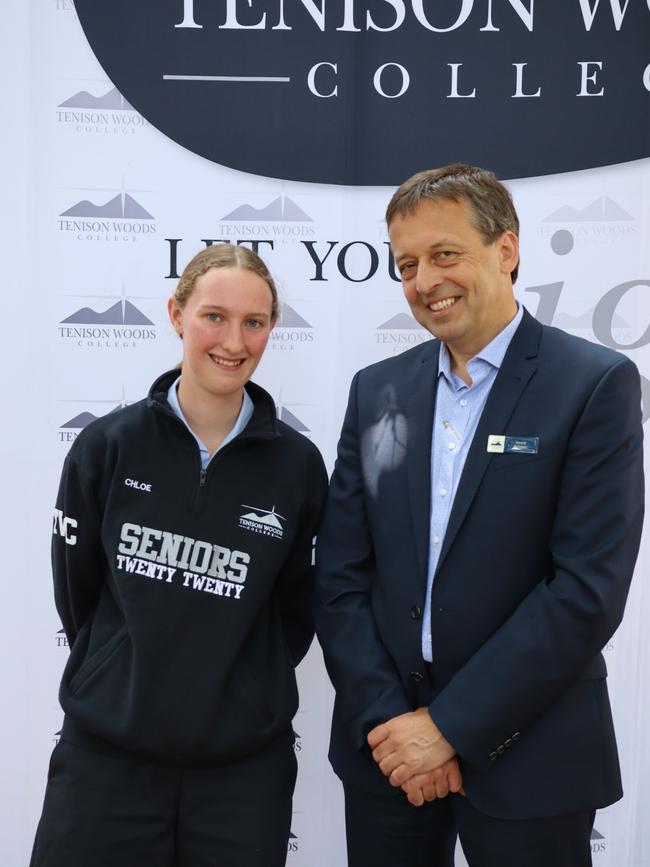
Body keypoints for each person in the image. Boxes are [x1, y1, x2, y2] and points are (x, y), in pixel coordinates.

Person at [314, 164, 644, 867]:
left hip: (533, 754)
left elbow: (586, 589)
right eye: (407, 264)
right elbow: (340, 576)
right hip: (389, 757)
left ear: (507, 250)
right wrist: (393, 727)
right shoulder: (378, 391)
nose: (425, 279)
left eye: (444, 254)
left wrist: (450, 728)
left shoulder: (593, 384)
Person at [31, 243, 327, 867]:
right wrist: (120, 672)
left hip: (241, 775)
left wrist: (243, 688)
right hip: (106, 763)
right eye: (213, 316)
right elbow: (77, 592)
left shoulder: (298, 469)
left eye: (254, 322)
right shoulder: (107, 446)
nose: (233, 341)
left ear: (272, 329)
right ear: (176, 314)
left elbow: (297, 612)